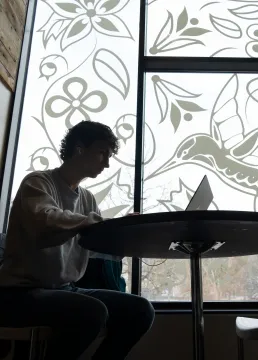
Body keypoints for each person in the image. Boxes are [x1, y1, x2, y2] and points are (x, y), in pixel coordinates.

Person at [0, 121, 154, 359]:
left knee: (141, 310)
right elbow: (45, 220)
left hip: (64, 288)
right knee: (92, 312)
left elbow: (94, 236)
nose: (107, 163)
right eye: (103, 153)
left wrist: (122, 227)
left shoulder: (87, 199)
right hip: (18, 293)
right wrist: (89, 222)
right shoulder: (38, 182)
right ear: (80, 149)